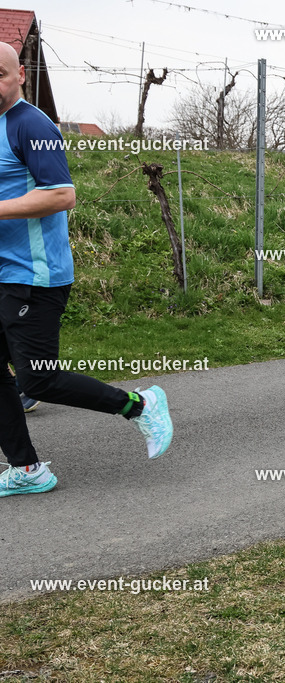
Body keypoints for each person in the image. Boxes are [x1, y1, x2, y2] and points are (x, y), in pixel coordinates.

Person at [0, 42, 172, 496]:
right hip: (4, 274)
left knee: (37, 378)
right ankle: (28, 469)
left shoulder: (31, 125)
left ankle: (139, 404)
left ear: (20, 74)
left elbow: (61, 194)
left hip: (34, 276)